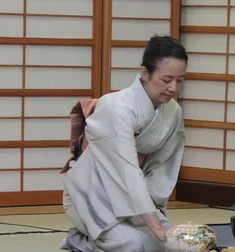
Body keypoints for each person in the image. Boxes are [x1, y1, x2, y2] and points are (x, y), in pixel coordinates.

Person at [60, 35, 188, 251]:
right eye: (166, 80)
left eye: (180, 80)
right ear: (145, 73)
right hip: (92, 192)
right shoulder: (116, 107)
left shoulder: (173, 112)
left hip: (136, 194)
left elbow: (163, 166)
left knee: (169, 246)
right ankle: (79, 242)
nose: (173, 88)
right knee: (133, 244)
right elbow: (127, 170)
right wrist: (156, 228)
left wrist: (156, 213)